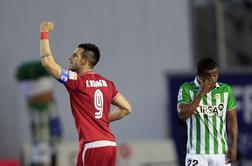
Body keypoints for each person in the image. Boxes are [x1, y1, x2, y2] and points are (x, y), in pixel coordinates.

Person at [40, 22, 132, 166]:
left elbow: (48, 63)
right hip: (110, 145)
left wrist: (44, 32)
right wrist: (103, 119)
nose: (70, 58)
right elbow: (127, 108)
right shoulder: (108, 83)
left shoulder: (76, 80)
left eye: (75, 55)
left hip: (92, 146)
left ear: (84, 61)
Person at [177, 58, 238, 166]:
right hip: (196, 153)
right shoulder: (187, 88)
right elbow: (182, 115)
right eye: (208, 76)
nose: (212, 79)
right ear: (198, 75)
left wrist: (233, 145)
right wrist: (201, 92)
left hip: (220, 154)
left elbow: (232, 119)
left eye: (215, 75)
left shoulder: (225, 90)